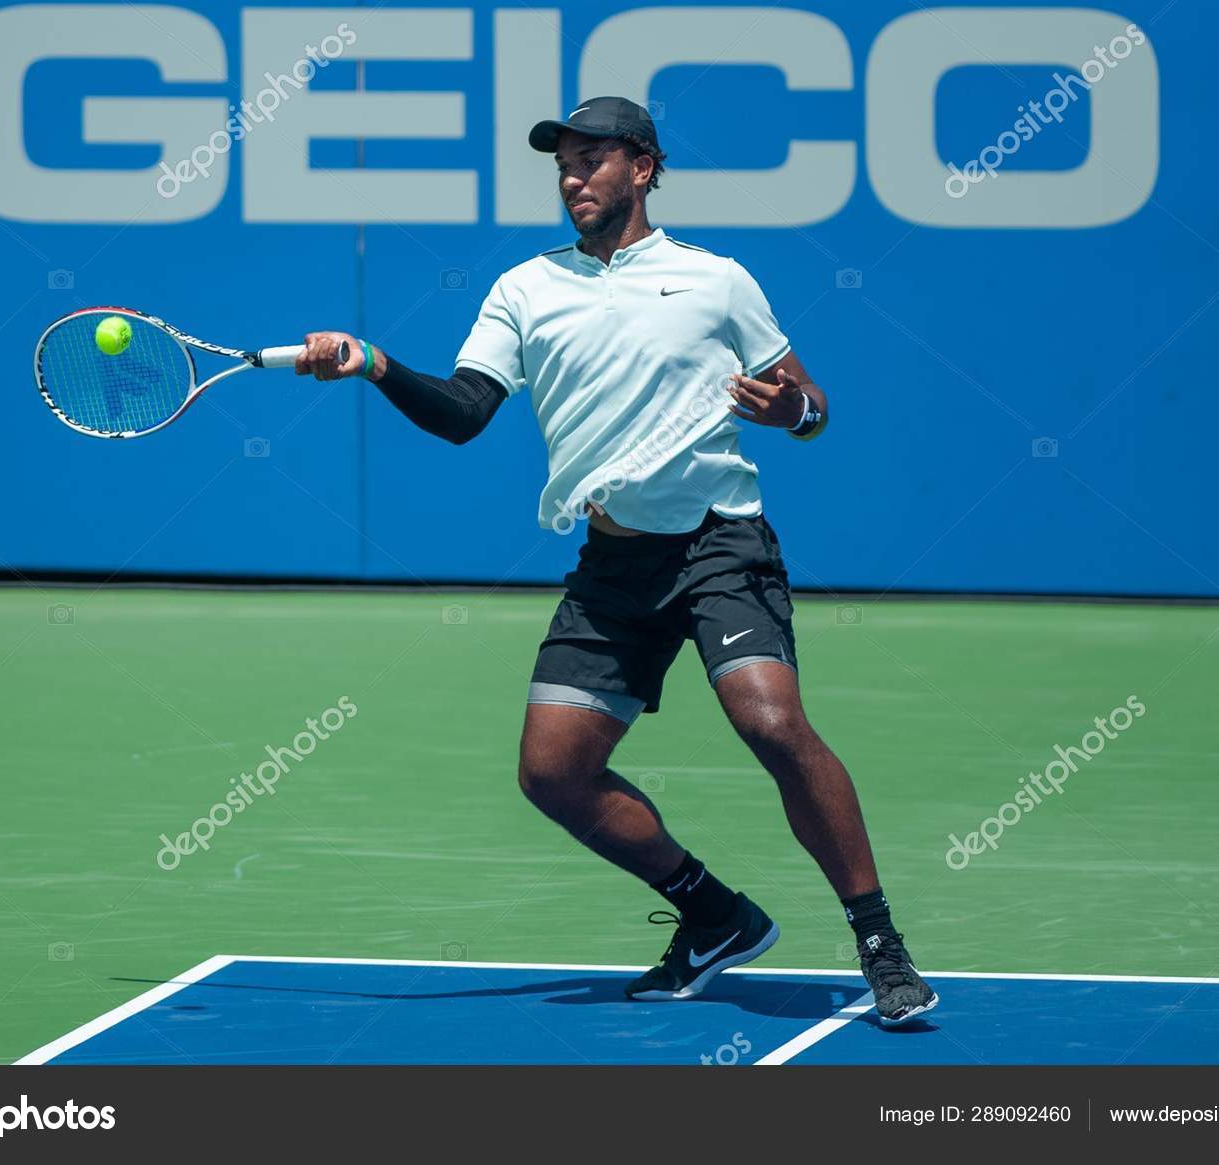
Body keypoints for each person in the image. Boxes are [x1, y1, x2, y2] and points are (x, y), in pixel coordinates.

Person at [292, 97, 938, 1026]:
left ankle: (881, 945)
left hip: (721, 542)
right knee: (552, 772)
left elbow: (813, 403)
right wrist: (377, 366)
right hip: (613, 563)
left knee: (770, 721)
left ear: (643, 168)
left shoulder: (715, 280)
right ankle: (715, 914)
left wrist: (789, 414)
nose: (572, 176)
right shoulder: (524, 289)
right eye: (563, 162)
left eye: (593, 158)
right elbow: (466, 412)